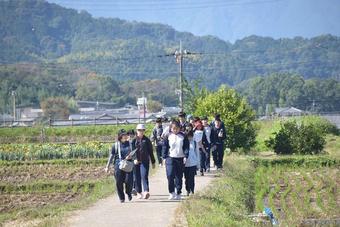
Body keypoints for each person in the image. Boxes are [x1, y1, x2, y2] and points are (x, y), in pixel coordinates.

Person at [162, 120, 189, 200]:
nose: (175, 130)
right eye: (173, 128)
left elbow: (186, 147)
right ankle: (171, 192)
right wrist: (163, 157)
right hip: (170, 158)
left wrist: (185, 156)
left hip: (180, 158)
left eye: (177, 128)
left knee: (179, 176)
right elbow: (165, 147)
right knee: (170, 175)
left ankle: (178, 192)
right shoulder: (168, 136)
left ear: (179, 128)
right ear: (171, 128)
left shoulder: (183, 136)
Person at [105, 129, 134, 203]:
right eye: (123, 135)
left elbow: (135, 154)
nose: (125, 136)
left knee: (129, 180)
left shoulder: (130, 144)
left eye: (126, 135)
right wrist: (107, 166)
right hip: (118, 164)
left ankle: (129, 192)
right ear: (120, 136)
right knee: (119, 181)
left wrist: (132, 157)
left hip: (128, 163)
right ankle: (121, 197)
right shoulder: (115, 145)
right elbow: (111, 156)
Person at [132, 124, 156, 199]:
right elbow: (132, 151)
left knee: (144, 175)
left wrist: (153, 162)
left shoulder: (147, 140)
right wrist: (134, 158)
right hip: (136, 162)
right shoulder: (133, 141)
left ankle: (146, 191)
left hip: (144, 161)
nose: (141, 132)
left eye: (142, 130)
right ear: (137, 131)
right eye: (139, 130)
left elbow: (150, 151)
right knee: (137, 177)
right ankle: (139, 192)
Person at [184, 129, 199, 196]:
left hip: (193, 163)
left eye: (191, 136)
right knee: (186, 178)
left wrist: (198, 164)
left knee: (192, 178)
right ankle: (187, 190)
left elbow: (197, 153)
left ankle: (192, 190)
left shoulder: (195, 143)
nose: (190, 138)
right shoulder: (183, 142)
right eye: (188, 136)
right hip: (185, 164)